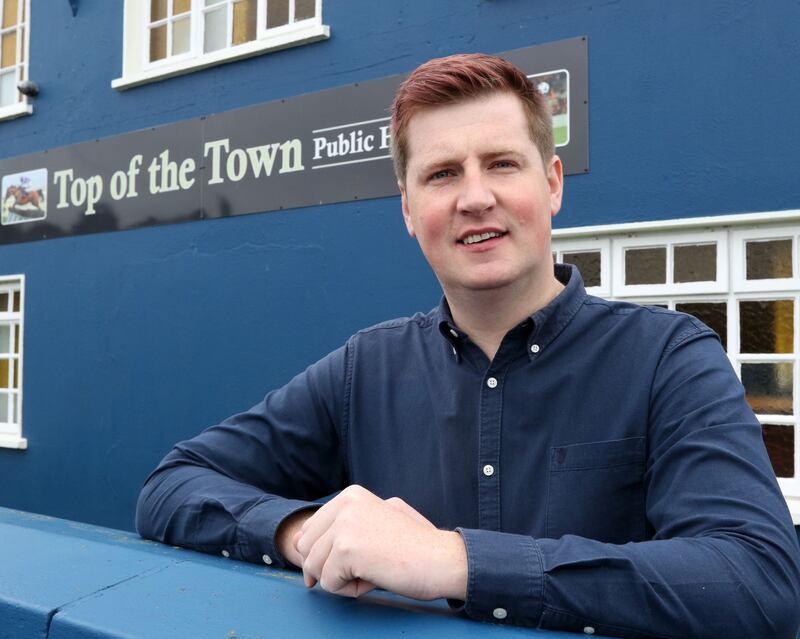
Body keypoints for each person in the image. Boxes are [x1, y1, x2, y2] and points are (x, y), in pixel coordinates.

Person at [136, 54, 800, 638]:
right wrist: (306, 531)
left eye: (502, 164)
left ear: (552, 183)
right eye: (442, 174)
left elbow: (759, 579)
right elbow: (171, 487)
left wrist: (453, 560)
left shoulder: (667, 358)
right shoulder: (364, 369)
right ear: (406, 208)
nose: (475, 197)